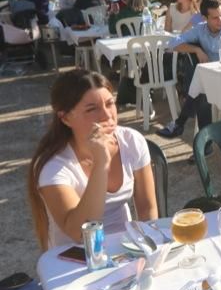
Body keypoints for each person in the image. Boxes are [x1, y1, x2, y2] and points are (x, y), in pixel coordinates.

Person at [27, 69, 158, 250]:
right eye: (91, 109)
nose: (107, 115)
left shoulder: (131, 141)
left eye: (110, 103)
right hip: (75, 258)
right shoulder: (53, 167)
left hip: (125, 249)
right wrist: (101, 162)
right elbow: (79, 233)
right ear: (65, 118)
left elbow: (147, 208)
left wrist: (149, 248)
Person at [157, 0, 221, 138]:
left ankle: (183, 125)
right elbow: (173, 44)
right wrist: (196, 50)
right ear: (205, 18)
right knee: (203, 89)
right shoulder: (200, 30)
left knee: (202, 90)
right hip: (213, 78)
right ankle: (203, 139)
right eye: (215, 18)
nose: (220, 21)